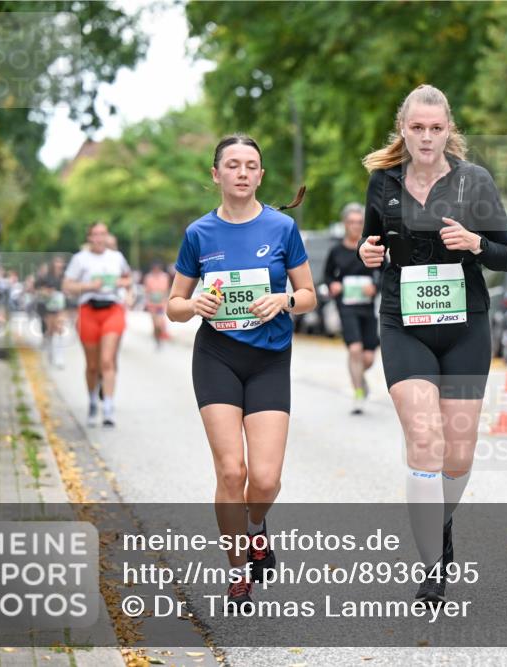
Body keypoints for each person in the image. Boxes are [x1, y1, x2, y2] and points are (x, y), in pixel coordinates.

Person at [358, 84, 507, 603]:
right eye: (417, 128)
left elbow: (504, 255)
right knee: (425, 442)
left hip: (465, 323)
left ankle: (440, 522)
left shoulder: (475, 182)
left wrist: (474, 243)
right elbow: (374, 242)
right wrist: (368, 252)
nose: (426, 137)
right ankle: (432, 568)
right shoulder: (383, 183)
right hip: (403, 322)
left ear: (450, 130)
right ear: (402, 129)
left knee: (460, 456)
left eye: (436, 128)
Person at [167, 134, 315, 609]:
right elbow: (171, 306)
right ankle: (238, 573)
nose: (243, 172)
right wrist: (193, 305)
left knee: (265, 480)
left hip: (269, 357)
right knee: (232, 471)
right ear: (217, 174)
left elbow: (310, 294)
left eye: (251, 165)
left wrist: (285, 299)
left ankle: (256, 527)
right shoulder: (199, 234)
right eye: (233, 165)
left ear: (261, 175)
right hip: (217, 357)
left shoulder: (282, 228)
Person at [62, 222, 132, 428]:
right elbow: (67, 285)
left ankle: (108, 406)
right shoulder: (80, 259)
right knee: (92, 366)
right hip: (88, 311)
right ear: (89, 237)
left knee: (107, 361)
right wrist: (89, 286)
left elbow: (128, 279)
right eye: (95, 234)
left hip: (112, 309)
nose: (100, 238)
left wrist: (121, 285)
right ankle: (93, 401)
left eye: (103, 234)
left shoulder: (116, 257)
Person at [324, 202, 380, 413]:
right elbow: (328, 276)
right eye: (351, 222)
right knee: (355, 349)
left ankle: (359, 377)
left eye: (359, 222)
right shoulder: (336, 251)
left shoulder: (372, 247)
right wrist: (333, 285)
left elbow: (385, 273)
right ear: (345, 224)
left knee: (367, 358)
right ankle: (358, 393)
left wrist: (375, 286)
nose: (356, 226)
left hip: (367, 308)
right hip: (346, 307)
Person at [35, 255, 68, 367]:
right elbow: (37, 288)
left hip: (61, 306)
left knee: (60, 329)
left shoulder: (65, 276)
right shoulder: (46, 277)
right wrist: (46, 291)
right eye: (57, 262)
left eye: (61, 263)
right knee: (50, 330)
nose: (59, 265)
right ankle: (50, 352)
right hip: (49, 306)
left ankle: (59, 356)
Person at [143, 262, 172, 348]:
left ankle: (160, 338)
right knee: (155, 324)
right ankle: (156, 338)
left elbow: (167, 290)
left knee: (159, 323)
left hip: (161, 304)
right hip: (152, 304)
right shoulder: (148, 277)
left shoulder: (165, 277)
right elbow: (146, 291)